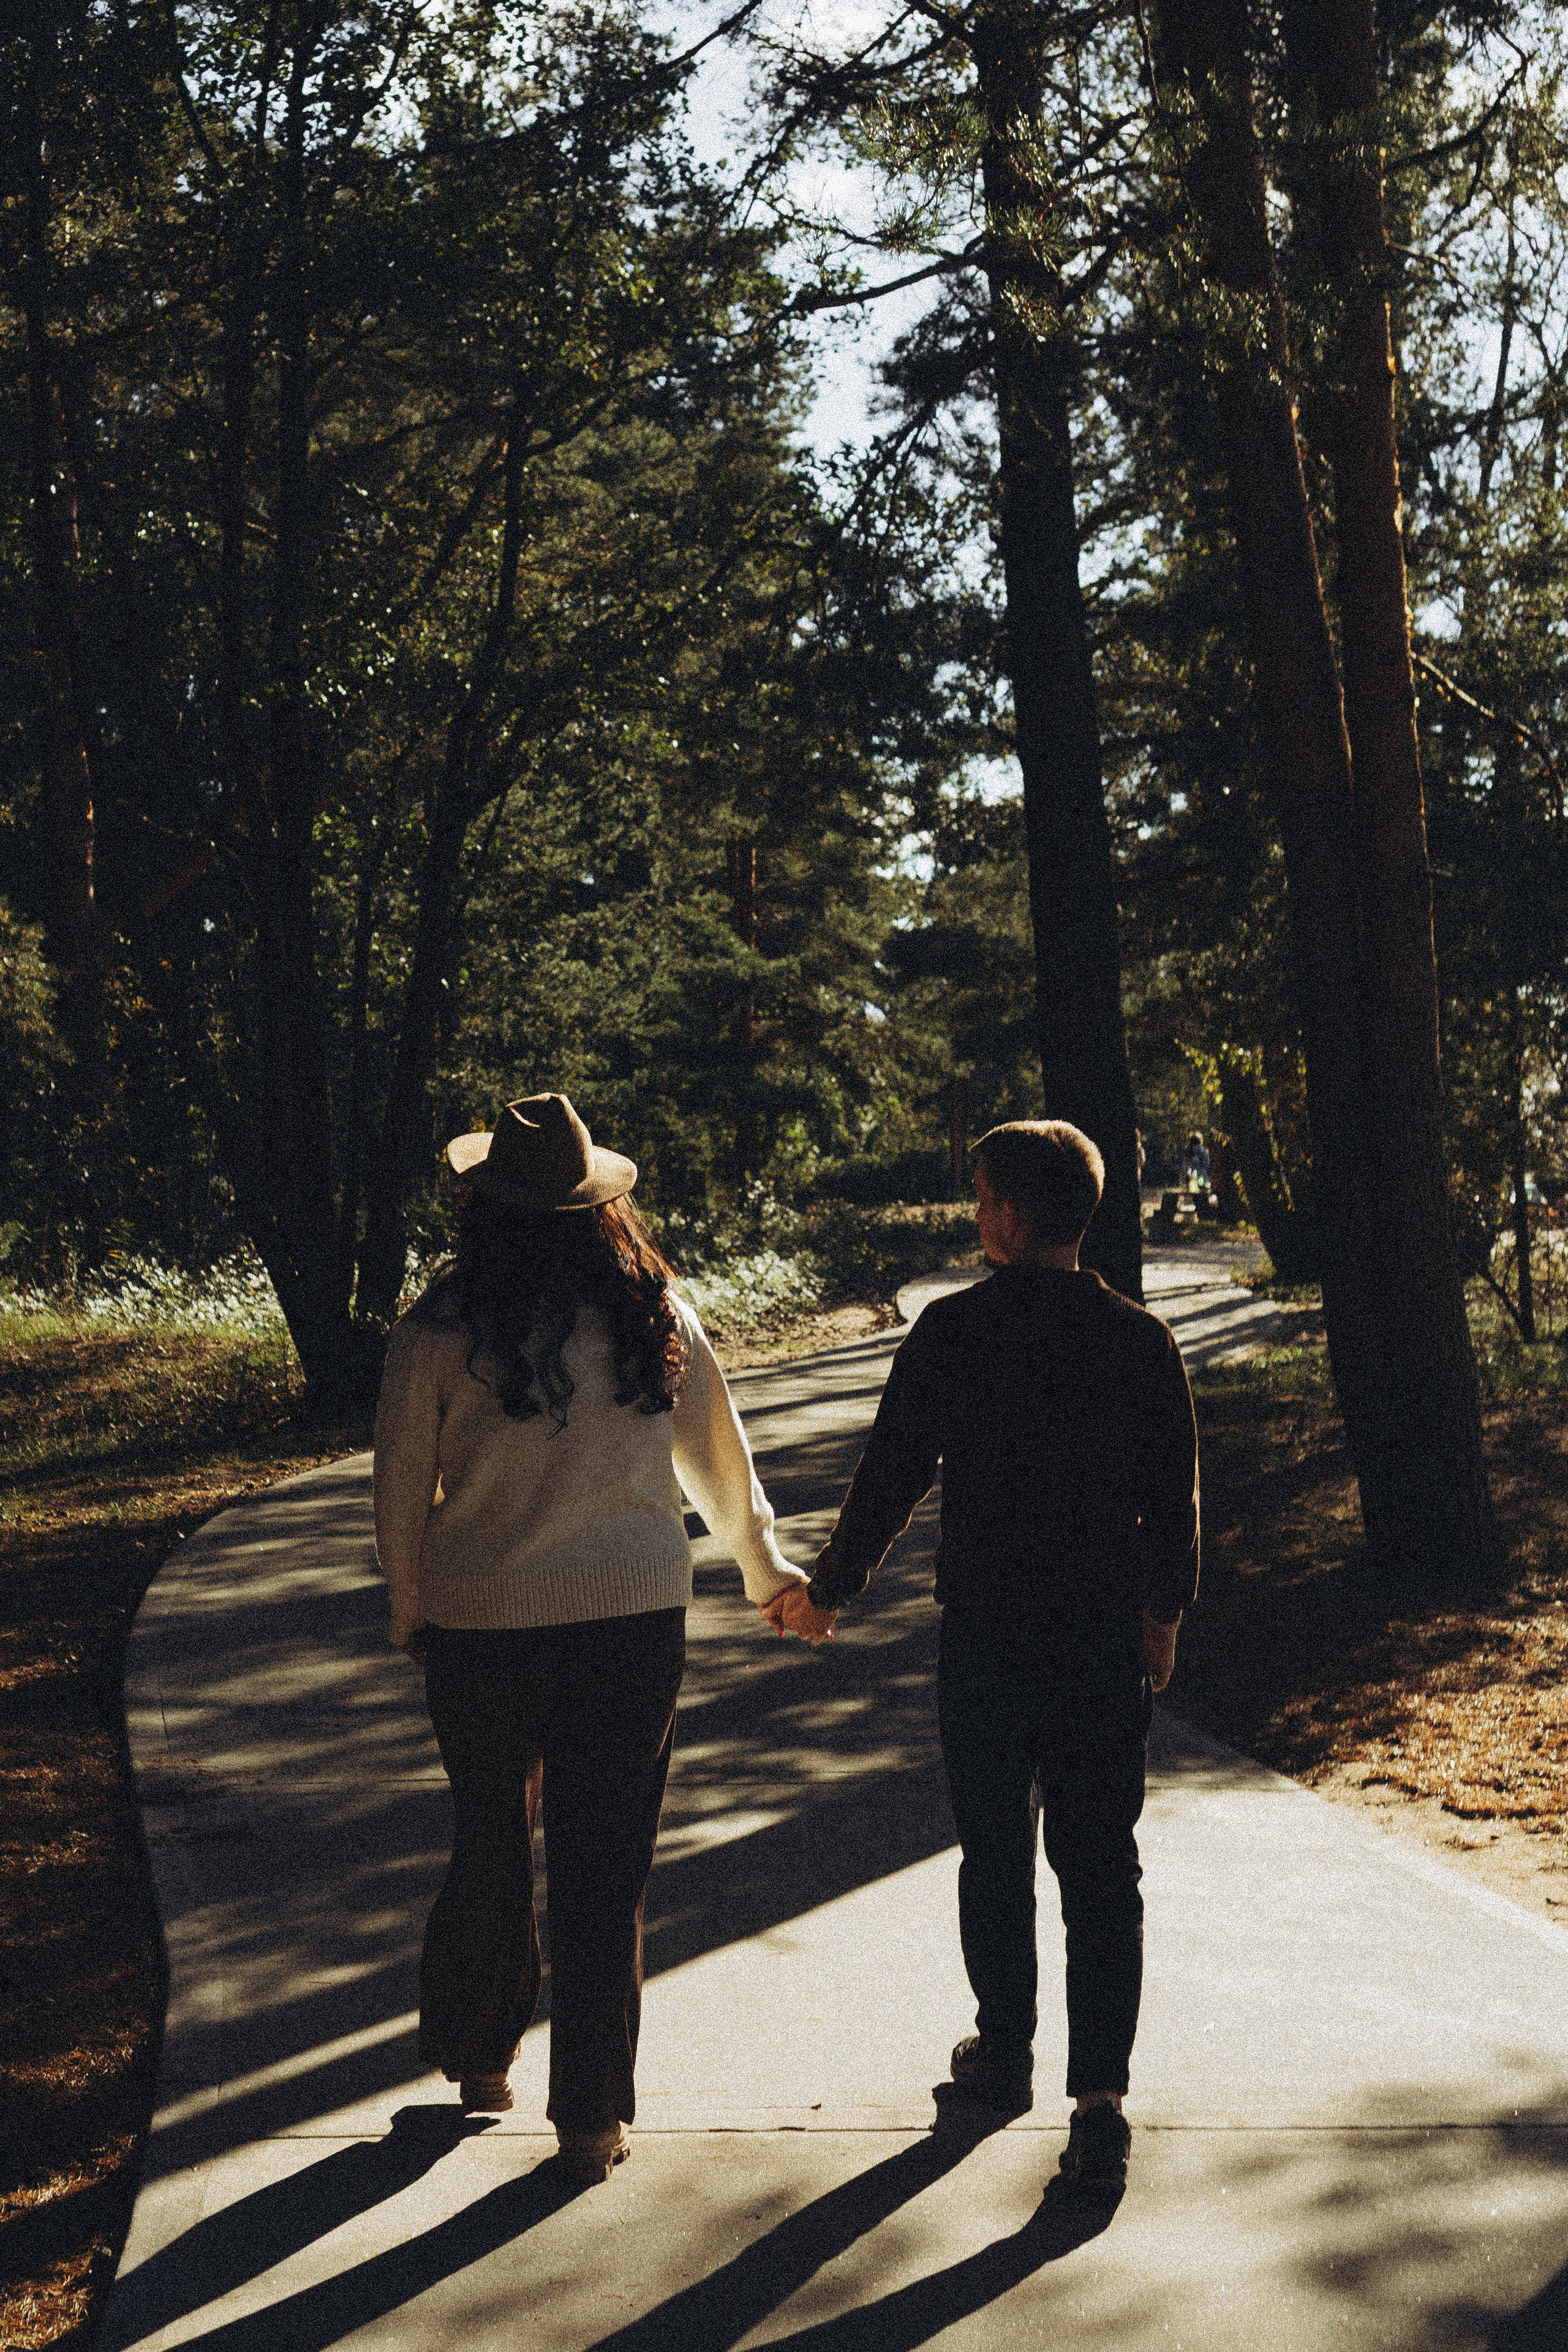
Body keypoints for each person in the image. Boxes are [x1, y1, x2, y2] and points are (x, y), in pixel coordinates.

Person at [373, 1093, 809, 2183]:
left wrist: (411, 1607)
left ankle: (480, 2062)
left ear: (482, 1205)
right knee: (605, 1861)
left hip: (483, 1626)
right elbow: (720, 1460)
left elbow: (396, 1492)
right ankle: (592, 2121)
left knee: (489, 1836)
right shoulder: (654, 1313)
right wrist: (764, 1572)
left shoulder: (436, 1330)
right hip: (630, 1622)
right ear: (595, 1207)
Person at [777, 1119, 1199, 2201]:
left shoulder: (953, 1333)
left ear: (1011, 1214)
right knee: (1104, 1870)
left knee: (994, 1852)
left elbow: (891, 1474)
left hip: (988, 1641)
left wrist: (830, 1592)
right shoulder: (1137, 1340)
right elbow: (1173, 1503)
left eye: (979, 1200)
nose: (975, 1218)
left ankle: (1003, 2050)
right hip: (1099, 1639)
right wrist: (1162, 1618)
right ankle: (1099, 2105)